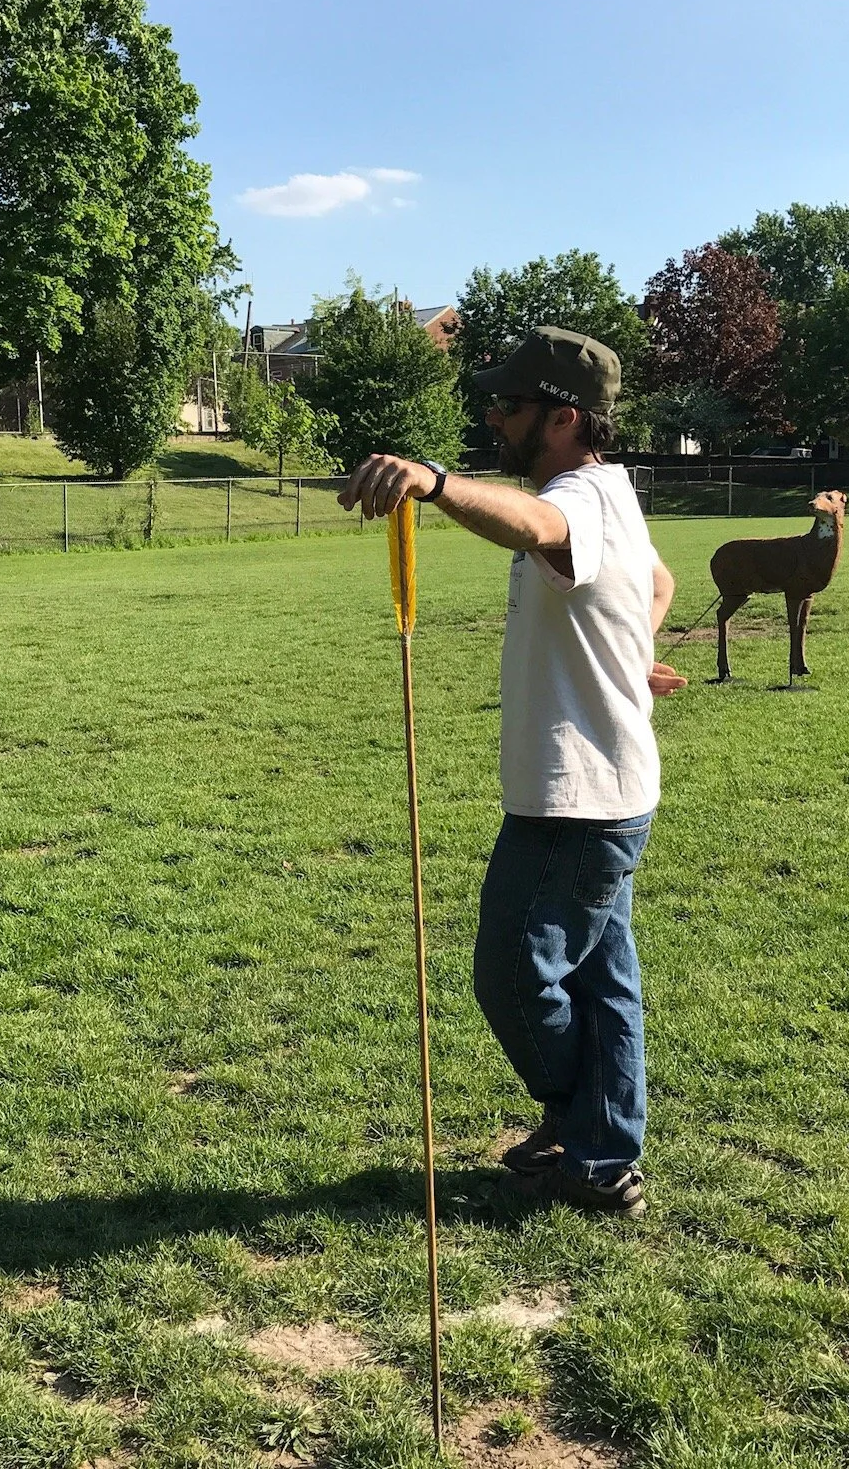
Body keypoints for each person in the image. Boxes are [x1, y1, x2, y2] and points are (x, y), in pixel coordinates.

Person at [339, 326, 685, 1217]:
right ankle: (601, 1156)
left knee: (510, 972)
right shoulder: (613, 492)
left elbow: (538, 524)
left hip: (577, 797)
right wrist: (626, 653)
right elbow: (660, 578)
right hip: (604, 783)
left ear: (564, 416)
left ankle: (587, 1131)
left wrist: (435, 481)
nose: (492, 416)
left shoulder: (576, 496)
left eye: (509, 404)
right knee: (601, 983)